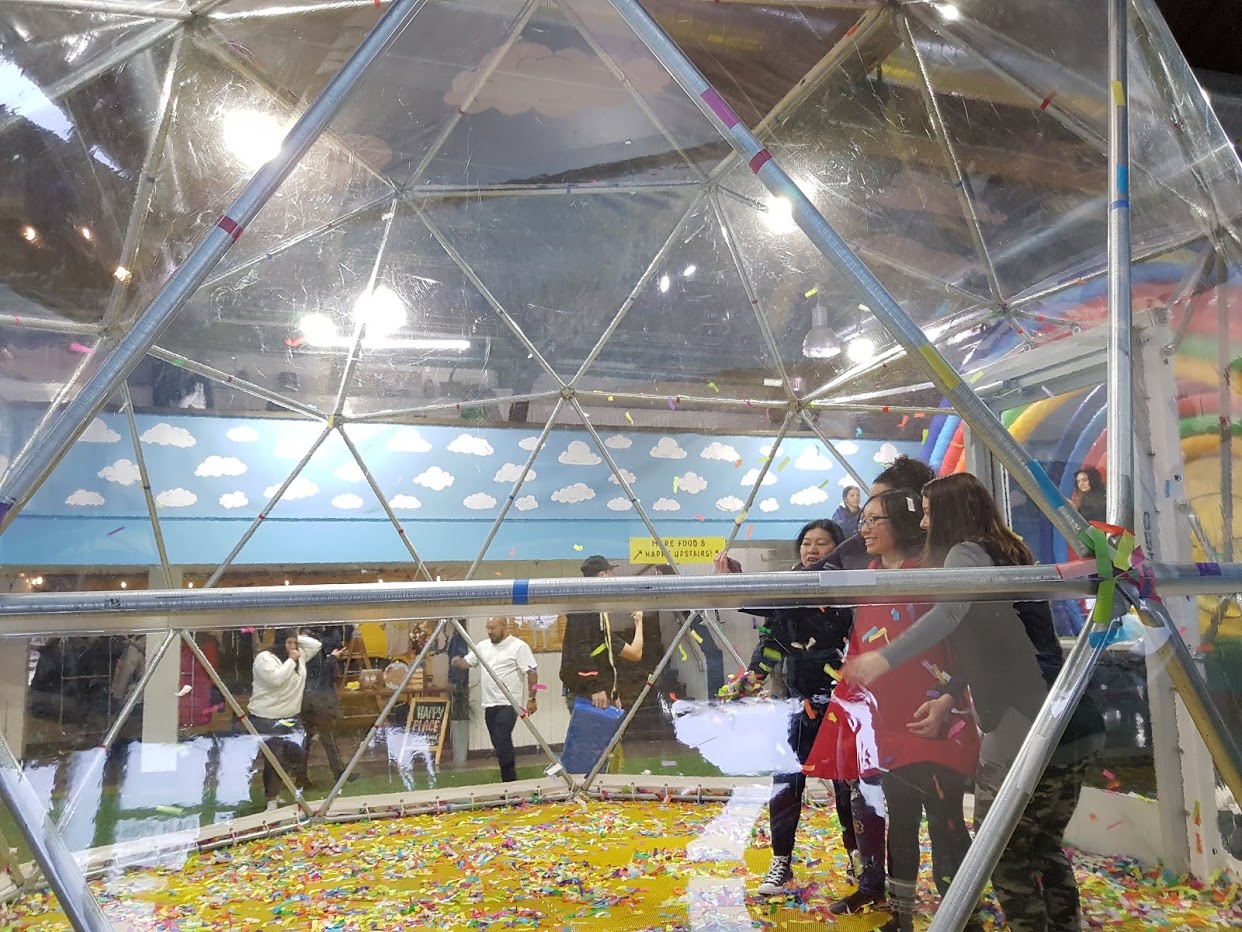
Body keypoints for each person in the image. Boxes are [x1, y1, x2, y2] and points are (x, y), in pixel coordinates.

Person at [844, 473, 1106, 932]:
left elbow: (947, 616)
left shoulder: (964, 553)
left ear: (949, 514)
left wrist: (883, 658)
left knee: (999, 848)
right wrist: (949, 696)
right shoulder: (1010, 549)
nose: (922, 523)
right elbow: (995, 639)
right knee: (1042, 846)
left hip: (1023, 719)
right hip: (1072, 715)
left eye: (929, 512)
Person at [818, 490, 980, 932]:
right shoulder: (866, 577)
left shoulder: (931, 574)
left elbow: (961, 643)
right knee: (900, 819)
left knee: (947, 821)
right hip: (886, 723)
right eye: (863, 520)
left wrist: (949, 699)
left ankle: (963, 915)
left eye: (876, 520)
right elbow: (858, 645)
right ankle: (901, 915)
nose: (865, 528)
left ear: (903, 525)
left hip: (935, 719)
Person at [714, 520, 865, 898]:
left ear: (836, 550)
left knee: (846, 787)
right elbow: (771, 640)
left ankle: (858, 858)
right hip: (794, 704)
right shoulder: (788, 586)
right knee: (785, 783)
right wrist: (751, 679)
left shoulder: (843, 590)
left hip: (839, 704)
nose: (812, 549)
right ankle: (781, 862)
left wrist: (740, 584)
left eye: (822, 543)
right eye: (807, 543)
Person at [452, 617, 539, 783]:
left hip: (509, 704)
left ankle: (510, 779)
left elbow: (532, 673)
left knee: (501, 737)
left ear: (504, 627)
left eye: (493, 628)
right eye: (488, 628)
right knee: (498, 742)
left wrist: (532, 698)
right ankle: (506, 775)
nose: (490, 631)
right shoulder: (482, 646)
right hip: (489, 704)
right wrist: (457, 662)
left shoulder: (518, 646)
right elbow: (467, 663)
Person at [249, 629, 321, 810]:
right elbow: (276, 679)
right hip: (267, 717)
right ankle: (272, 799)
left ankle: (274, 789)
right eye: (288, 643)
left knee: (297, 754)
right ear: (279, 643)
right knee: (275, 757)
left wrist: (294, 636)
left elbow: (316, 645)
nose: (293, 647)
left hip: (291, 716)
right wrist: (291, 659)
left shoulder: (299, 656)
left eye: (295, 643)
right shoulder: (265, 658)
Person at [559, 556, 644, 710]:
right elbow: (580, 649)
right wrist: (595, 687)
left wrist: (612, 692)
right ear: (602, 575)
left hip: (595, 692)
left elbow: (633, 653)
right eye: (610, 574)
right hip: (587, 694)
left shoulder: (597, 615)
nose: (612, 580)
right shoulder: (583, 608)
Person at [826, 456, 937, 570]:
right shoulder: (868, 560)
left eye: (884, 500)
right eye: (865, 520)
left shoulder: (935, 566)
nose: (864, 531)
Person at [300, 624, 352, 787]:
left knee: (311, 738)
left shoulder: (307, 641)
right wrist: (333, 658)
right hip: (316, 698)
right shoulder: (311, 645)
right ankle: (338, 773)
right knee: (322, 736)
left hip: (311, 696)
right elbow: (320, 671)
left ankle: (302, 776)